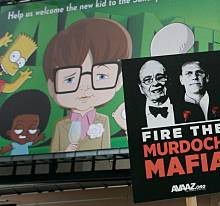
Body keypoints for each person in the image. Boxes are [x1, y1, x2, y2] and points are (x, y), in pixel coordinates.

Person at [44, 18, 131, 153]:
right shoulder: (60, 125)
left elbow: (106, 149)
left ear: (118, 80)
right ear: (52, 85)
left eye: (101, 76)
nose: (85, 87)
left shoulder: (104, 120)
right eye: (70, 79)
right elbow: (53, 153)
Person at [0, 90, 51, 156]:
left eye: (32, 130)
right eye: (19, 129)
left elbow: (33, 142)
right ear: (9, 132)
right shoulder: (14, 145)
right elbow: (7, 149)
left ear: (37, 132)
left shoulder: (27, 143)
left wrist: (39, 138)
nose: (25, 133)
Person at [139, 60, 176, 128]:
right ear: (141, 88)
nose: (155, 83)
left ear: (168, 81)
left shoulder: (190, 109)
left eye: (160, 77)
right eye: (148, 80)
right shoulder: (132, 116)